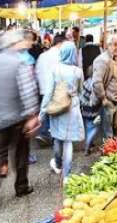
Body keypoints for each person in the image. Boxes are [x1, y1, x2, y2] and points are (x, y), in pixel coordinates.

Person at [0, 30, 40, 211]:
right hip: (17, 118)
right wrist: (32, 116)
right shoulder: (20, 63)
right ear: (14, 45)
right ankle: (21, 186)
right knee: (20, 155)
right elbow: (27, 92)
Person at [40, 42, 84, 181]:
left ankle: (57, 163)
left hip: (58, 107)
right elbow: (81, 92)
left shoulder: (54, 69)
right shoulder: (78, 71)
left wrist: (42, 112)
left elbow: (48, 93)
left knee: (57, 138)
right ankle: (67, 175)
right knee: (68, 141)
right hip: (73, 107)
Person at [92, 34, 117, 142]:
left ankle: (112, 151)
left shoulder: (116, 59)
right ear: (108, 45)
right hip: (108, 101)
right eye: (115, 44)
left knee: (115, 129)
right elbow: (97, 82)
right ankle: (108, 154)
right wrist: (104, 99)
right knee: (108, 133)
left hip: (116, 100)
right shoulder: (103, 60)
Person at [35, 34, 65, 145]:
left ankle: (44, 133)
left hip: (43, 89)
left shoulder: (42, 56)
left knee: (45, 111)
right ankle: (53, 136)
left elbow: (36, 72)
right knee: (56, 113)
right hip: (57, 89)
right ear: (61, 43)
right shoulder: (61, 56)